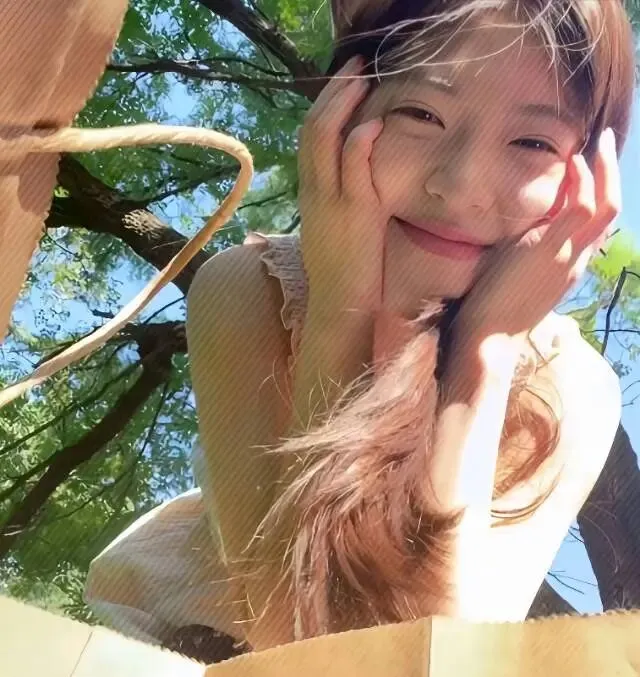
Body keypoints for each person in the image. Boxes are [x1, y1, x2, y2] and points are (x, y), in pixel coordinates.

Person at [84, 0, 636, 659]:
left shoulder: (573, 388)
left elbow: (430, 658)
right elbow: (292, 636)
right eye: (421, 114)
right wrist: (341, 307)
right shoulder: (252, 288)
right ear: (342, 112)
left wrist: (484, 352)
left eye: (533, 143)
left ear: (590, 186)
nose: (460, 184)